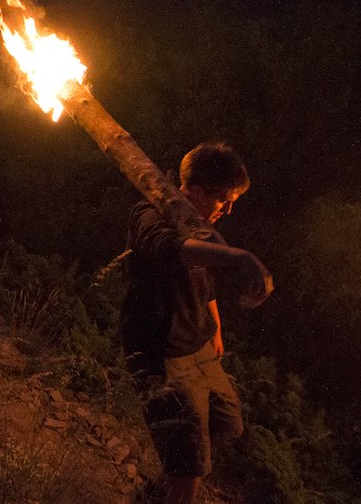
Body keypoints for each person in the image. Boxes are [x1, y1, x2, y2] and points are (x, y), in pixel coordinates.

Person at [119, 142, 274, 504]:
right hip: (162, 349)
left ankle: (155, 494)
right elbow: (172, 250)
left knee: (227, 423)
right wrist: (238, 257)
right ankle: (174, 488)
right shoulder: (149, 214)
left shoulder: (199, 225)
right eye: (223, 199)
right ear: (196, 190)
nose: (229, 209)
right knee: (189, 462)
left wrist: (215, 326)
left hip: (199, 344)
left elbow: (204, 283)